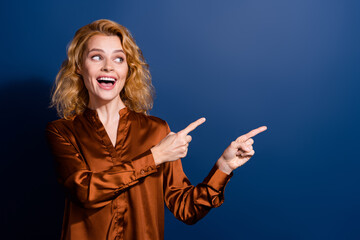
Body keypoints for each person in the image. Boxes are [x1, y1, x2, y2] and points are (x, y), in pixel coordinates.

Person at [45, 19, 267, 240]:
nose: (108, 66)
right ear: (78, 66)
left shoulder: (156, 131)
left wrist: (224, 167)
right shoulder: (63, 131)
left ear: (128, 70)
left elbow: (186, 209)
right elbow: (84, 191)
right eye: (96, 57)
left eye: (118, 59)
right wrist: (156, 156)